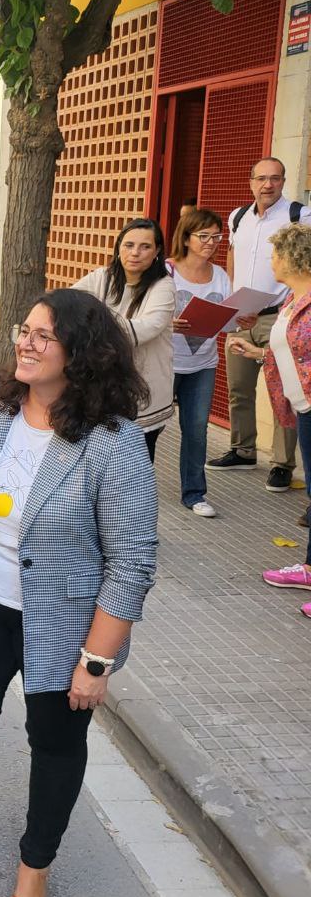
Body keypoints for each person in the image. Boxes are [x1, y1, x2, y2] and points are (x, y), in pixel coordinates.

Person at [0, 288, 157, 897]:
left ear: (82, 354)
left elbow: (131, 560)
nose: (26, 342)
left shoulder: (111, 440)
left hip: (66, 623)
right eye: (25, 330)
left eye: (44, 336)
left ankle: (33, 869)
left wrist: (96, 662)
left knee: (55, 745)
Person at [229, 223, 311, 622]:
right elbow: (291, 353)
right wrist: (257, 353)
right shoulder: (294, 300)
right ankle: (309, 570)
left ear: (294, 257)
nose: (271, 261)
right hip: (303, 407)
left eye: (275, 254)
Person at [209, 156, 301, 490]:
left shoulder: (299, 215)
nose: (268, 185)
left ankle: (281, 464)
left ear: (283, 181)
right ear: (251, 182)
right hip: (241, 315)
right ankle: (243, 450)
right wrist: (233, 298)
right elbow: (232, 255)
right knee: (238, 389)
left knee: (284, 393)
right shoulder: (237, 217)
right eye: (261, 178)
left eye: (275, 178)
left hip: (279, 316)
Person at [74, 218, 175, 460]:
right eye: (128, 245)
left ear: (158, 251)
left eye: (145, 247)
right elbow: (70, 306)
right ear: (118, 247)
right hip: (104, 387)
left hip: (145, 389)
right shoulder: (102, 278)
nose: (135, 253)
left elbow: (147, 328)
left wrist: (96, 324)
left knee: (136, 464)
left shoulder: (163, 285)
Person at [168, 208, 232, 517]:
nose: (211, 242)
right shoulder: (167, 270)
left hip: (203, 364)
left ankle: (194, 493)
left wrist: (240, 319)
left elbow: (227, 322)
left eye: (216, 236)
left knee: (196, 429)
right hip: (165, 363)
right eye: (203, 236)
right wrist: (168, 322)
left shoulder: (220, 275)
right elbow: (147, 312)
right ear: (187, 237)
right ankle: (131, 487)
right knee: (147, 427)